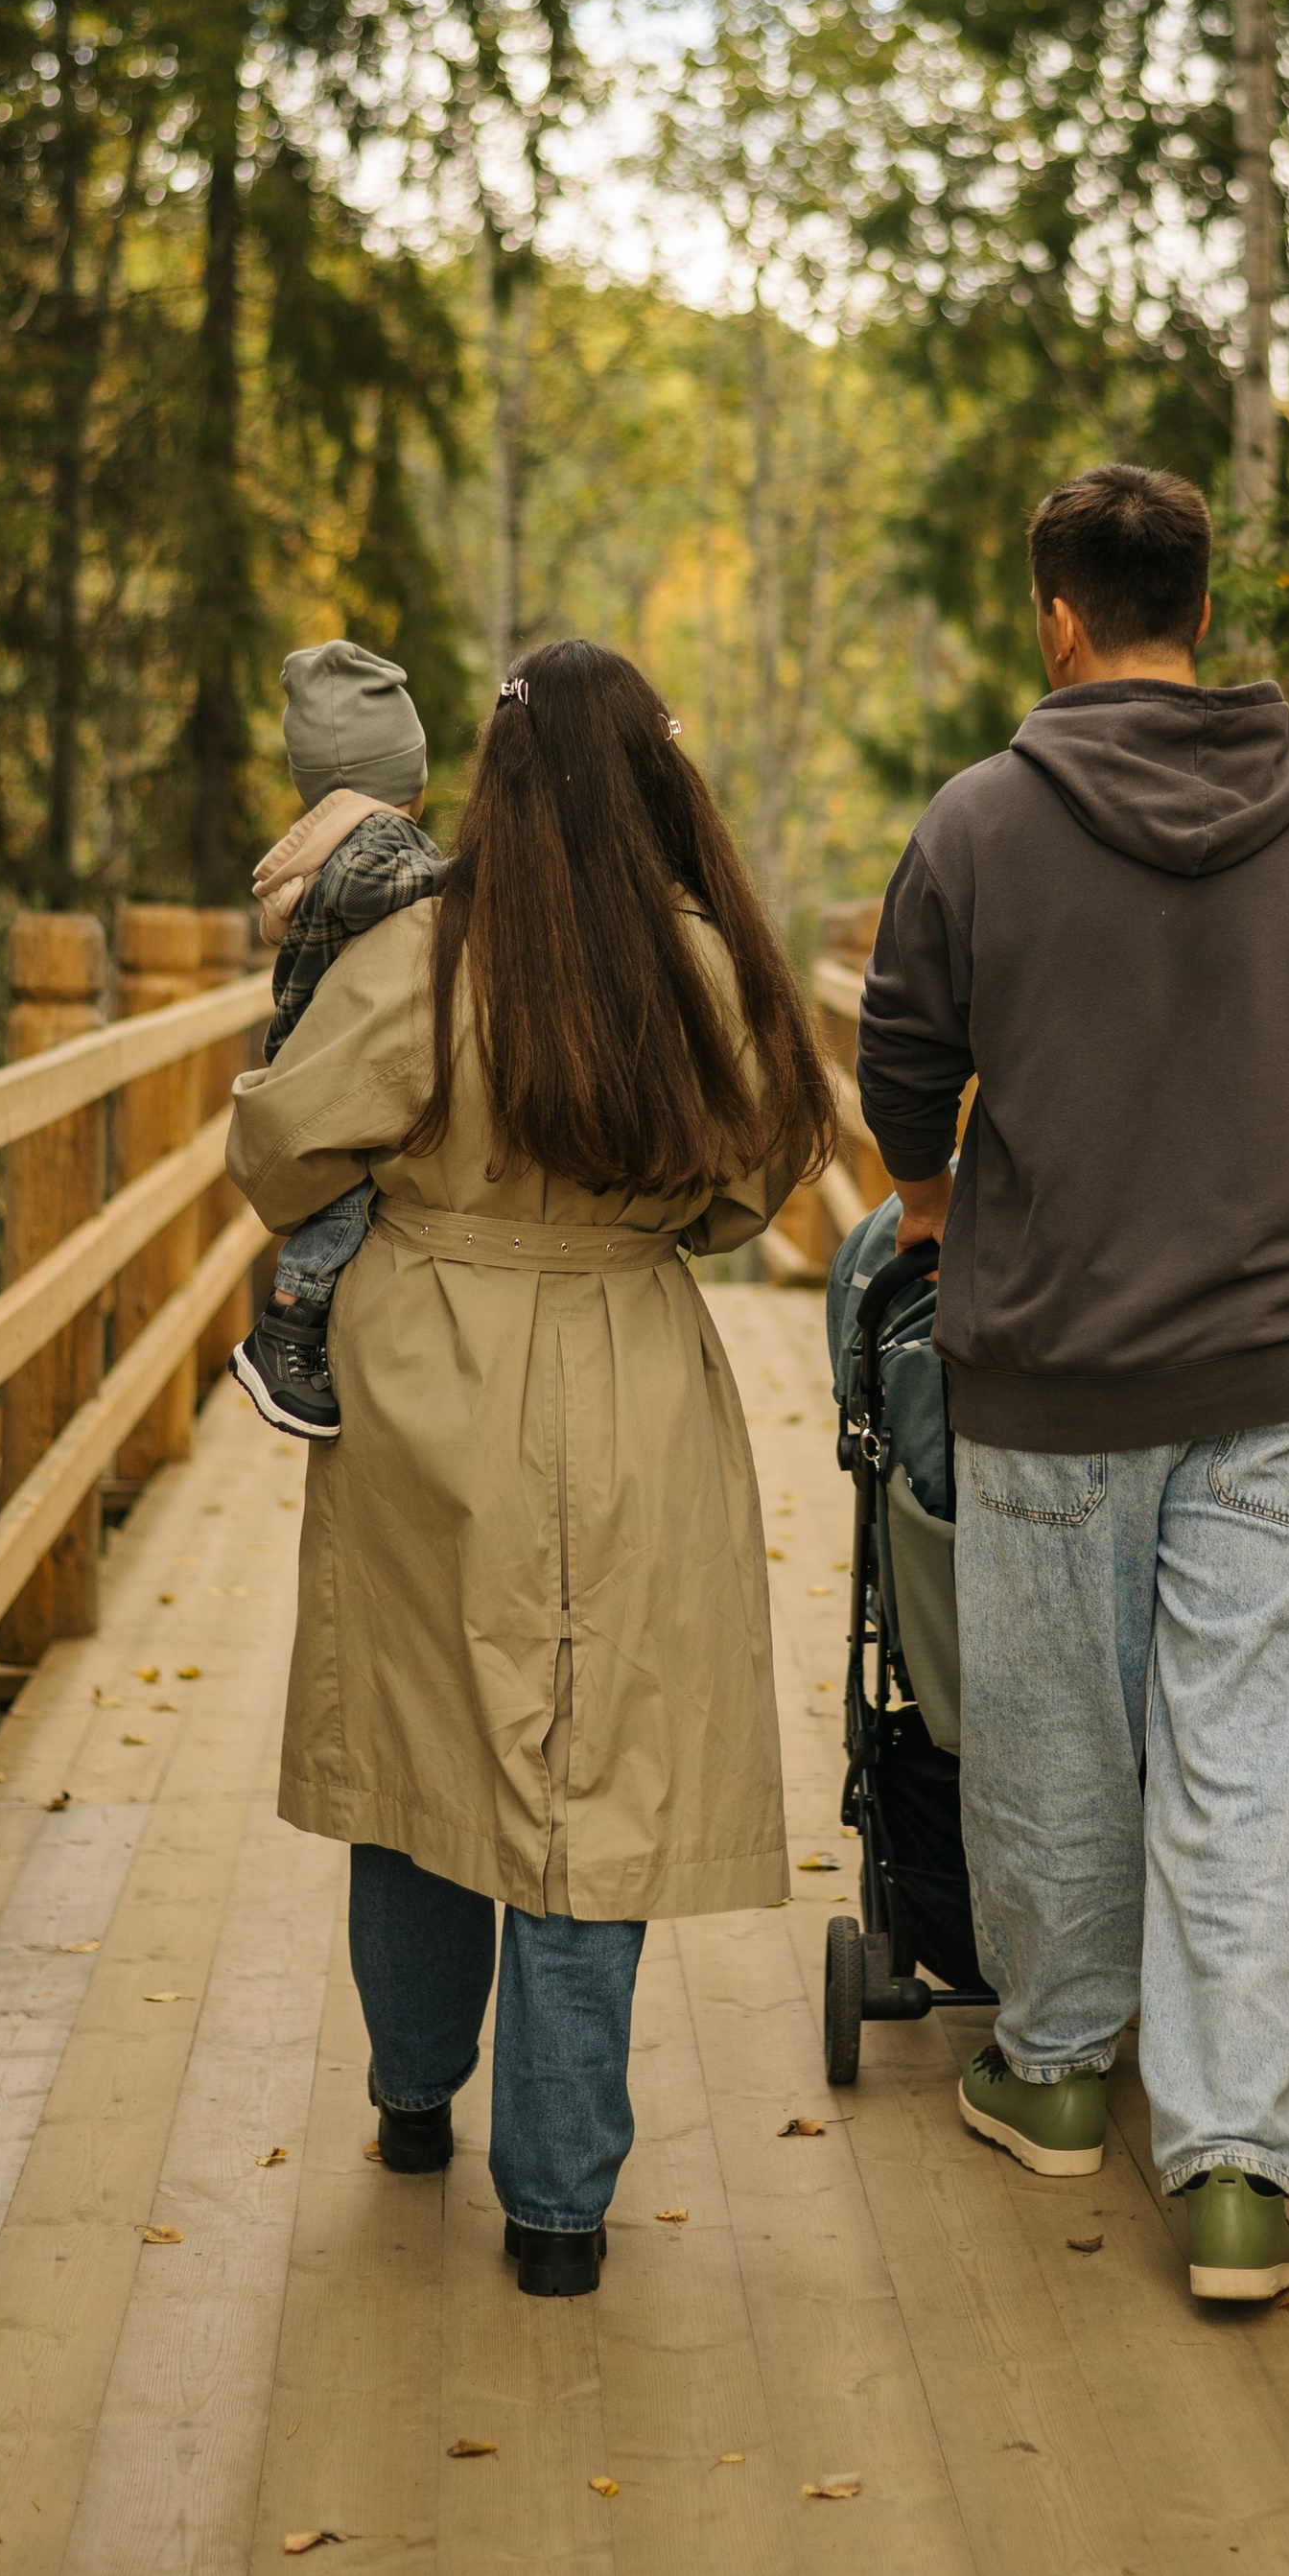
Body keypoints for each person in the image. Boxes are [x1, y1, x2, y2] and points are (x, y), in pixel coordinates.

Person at [225, 639, 833, 2296]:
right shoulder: (707, 961)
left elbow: (283, 1146)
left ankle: (414, 2101)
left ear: (494, 784)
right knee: (596, 1779)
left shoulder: (424, 950)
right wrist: (648, 1228)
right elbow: (764, 1171)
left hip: (429, 1371)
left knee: (420, 1739)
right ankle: (560, 2211)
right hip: (633, 1368)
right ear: (655, 773)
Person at [854, 464, 1289, 2304]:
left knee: (1057, 1735)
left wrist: (936, 1207)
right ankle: (1239, 2169)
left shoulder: (981, 821)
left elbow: (902, 1056)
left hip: (1057, 1370)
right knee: (1243, 1759)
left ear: (1059, 616)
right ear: (1200, 609)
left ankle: (1061, 2065)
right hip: (1276, 1368)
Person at [230, 638, 447, 1443]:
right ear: (405, 779)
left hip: (315, 1043)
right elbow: (366, 890)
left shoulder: (341, 837)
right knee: (348, 1192)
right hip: (333, 1060)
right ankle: (288, 1323)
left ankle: (296, 1319)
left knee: (346, 1187)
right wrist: (454, 875)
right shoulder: (376, 843)